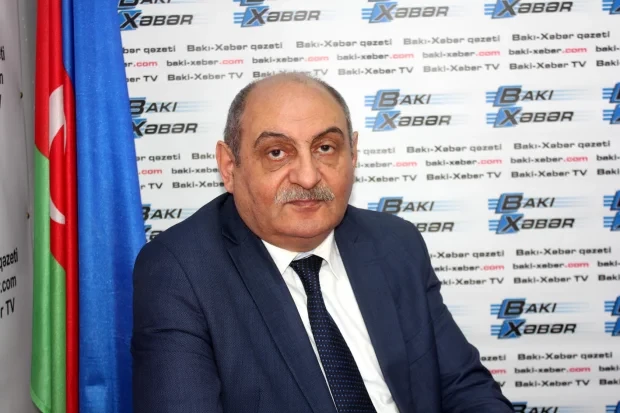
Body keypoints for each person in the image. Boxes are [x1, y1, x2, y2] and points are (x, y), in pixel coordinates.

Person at [131, 72, 512, 413]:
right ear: (230, 167)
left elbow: (465, 388)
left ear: (353, 154)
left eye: (325, 148)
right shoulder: (179, 271)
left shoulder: (396, 243)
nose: (308, 176)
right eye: (277, 153)